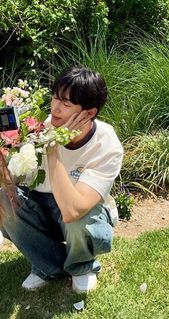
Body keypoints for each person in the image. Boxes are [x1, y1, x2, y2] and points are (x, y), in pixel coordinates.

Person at [0, 66, 123, 294]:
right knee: (2, 197)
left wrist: (52, 147)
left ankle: (81, 265)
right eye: (55, 97)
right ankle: (48, 265)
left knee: (78, 216)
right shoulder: (39, 127)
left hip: (80, 212)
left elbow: (73, 210)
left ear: (89, 113)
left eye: (66, 104)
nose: (55, 108)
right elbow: (13, 182)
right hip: (41, 204)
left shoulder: (106, 145)